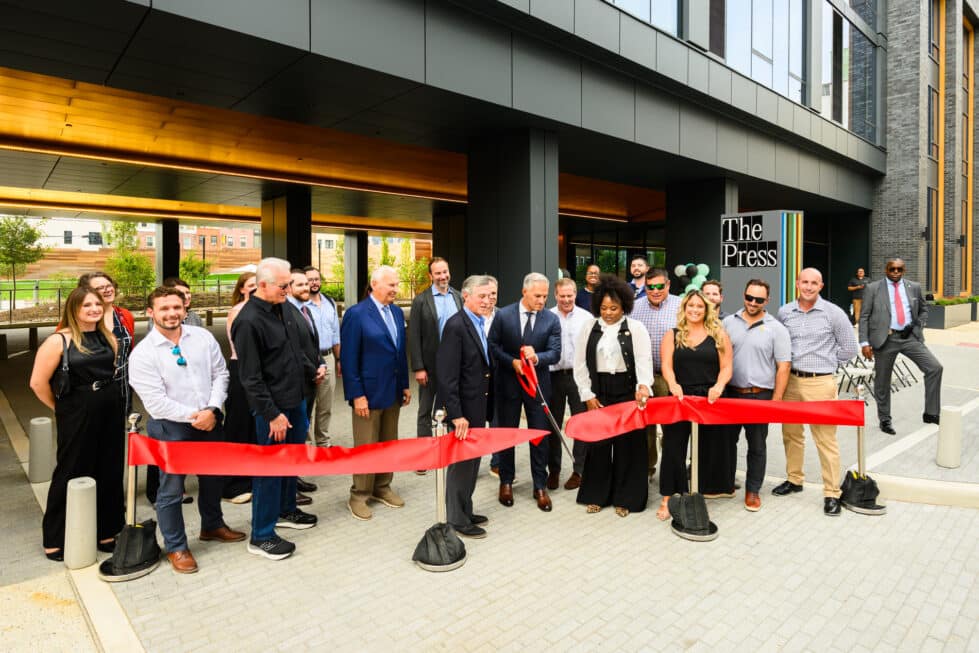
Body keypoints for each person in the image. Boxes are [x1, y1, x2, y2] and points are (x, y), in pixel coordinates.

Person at [129, 287, 245, 574]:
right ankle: (177, 547)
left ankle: (213, 526)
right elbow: (155, 402)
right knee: (170, 490)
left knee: (214, 480)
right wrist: (196, 416)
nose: (171, 313)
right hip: (171, 428)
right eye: (164, 308)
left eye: (176, 307)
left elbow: (221, 374)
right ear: (150, 312)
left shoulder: (202, 338)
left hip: (210, 420)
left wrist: (213, 409)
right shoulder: (143, 354)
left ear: (185, 309)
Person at [232, 257, 319, 560]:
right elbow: (251, 378)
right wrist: (272, 414)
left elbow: (294, 351)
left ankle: (286, 509)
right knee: (269, 472)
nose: (288, 290)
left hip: (296, 401)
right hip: (273, 412)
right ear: (263, 285)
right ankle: (262, 535)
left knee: (291, 462)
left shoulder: (284, 308)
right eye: (283, 286)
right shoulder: (248, 321)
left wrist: (312, 369)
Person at [30, 287, 123, 561]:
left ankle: (106, 530)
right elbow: (37, 383)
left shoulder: (108, 338)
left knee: (109, 467)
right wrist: (62, 410)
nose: (94, 309)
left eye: (97, 304)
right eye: (86, 305)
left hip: (109, 406)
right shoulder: (58, 341)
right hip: (77, 409)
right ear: (74, 309)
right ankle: (55, 537)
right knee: (71, 470)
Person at [775, 268, 858, 516]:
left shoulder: (833, 313)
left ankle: (832, 492)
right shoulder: (784, 312)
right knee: (791, 435)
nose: (809, 287)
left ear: (821, 286)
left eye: (814, 283)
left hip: (820, 383)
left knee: (825, 440)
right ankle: (794, 479)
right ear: (797, 283)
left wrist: (827, 362)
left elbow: (849, 348)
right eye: (805, 282)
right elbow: (779, 343)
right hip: (790, 382)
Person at [573, 275, 652, 516]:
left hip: (627, 391)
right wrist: (586, 394)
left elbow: (643, 361)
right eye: (604, 308)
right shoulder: (589, 326)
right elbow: (580, 363)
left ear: (624, 306)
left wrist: (643, 386)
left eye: (614, 308)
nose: (608, 313)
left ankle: (625, 498)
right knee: (598, 445)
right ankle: (597, 495)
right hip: (599, 390)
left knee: (628, 445)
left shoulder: (635, 328)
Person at [339, 265, 411, 521]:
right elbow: (349, 360)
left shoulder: (396, 311)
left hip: (392, 390)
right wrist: (356, 395)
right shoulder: (357, 314)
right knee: (367, 446)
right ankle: (359, 494)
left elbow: (399, 352)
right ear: (375, 285)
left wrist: (404, 383)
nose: (395, 289)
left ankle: (382, 487)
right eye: (391, 285)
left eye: (396, 284)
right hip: (367, 394)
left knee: (388, 442)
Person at [488, 272, 562, 512]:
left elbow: (555, 353)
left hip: (537, 387)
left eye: (544, 296)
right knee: (508, 434)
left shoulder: (551, 319)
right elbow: (493, 346)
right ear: (524, 292)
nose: (542, 300)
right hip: (508, 384)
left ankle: (539, 485)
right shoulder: (504, 315)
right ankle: (506, 482)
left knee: (538, 436)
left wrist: (537, 357)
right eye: (537, 295)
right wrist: (512, 362)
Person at [656, 290, 732, 520]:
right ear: (684, 309)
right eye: (691, 306)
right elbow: (666, 366)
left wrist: (719, 385)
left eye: (700, 306)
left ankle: (699, 495)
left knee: (707, 448)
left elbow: (727, 366)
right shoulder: (673, 334)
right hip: (679, 398)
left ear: (707, 309)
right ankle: (669, 497)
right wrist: (673, 383)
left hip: (709, 398)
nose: (695, 310)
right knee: (673, 447)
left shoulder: (718, 334)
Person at [435, 275, 496, 538]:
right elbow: (447, 376)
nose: (487, 301)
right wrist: (457, 415)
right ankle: (457, 519)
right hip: (463, 413)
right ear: (466, 297)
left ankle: (466, 508)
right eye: (481, 296)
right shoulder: (456, 326)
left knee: (472, 464)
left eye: (491, 296)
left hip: (477, 407)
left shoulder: (478, 323)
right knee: (461, 465)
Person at [722, 279, 791, 511]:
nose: (752, 303)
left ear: (767, 301)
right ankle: (726, 483)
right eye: (749, 297)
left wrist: (776, 401)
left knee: (757, 446)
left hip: (759, 395)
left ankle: (753, 490)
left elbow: (783, 366)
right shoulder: (728, 323)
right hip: (731, 393)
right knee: (727, 442)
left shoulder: (776, 328)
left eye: (759, 300)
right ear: (744, 295)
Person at [859, 258, 943, 434]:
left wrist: (917, 325)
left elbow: (923, 309)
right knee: (882, 382)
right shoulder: (873, 288)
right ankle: (885, 420)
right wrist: (865, 342)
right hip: (885, 339)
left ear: (904, 270)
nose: (895, 272)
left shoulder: (914, 287)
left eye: (899, 269)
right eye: (892, 269)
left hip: (910, 338)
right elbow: (864, 316)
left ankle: (931, 413)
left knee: (934, 367)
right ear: (886, 270)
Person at [629, 267, 681, 480]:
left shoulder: (681, 306)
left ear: (668, 284)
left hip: (672, 377)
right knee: (646, 427)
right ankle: (648, 469)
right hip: (645, 378)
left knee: (672, 427)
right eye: (651, 287)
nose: (655, 290)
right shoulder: (634, 307)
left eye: (660, 286)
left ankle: (671, 470)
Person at [408, 257, 462, 451]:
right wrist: (419, 367)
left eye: (445, 272)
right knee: (425, 410)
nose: (442, 276)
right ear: (430, 276)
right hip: (430, 366)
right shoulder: (421, 301)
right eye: (438, 273)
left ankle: (451, 450)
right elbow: (414, 336)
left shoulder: (458, 296)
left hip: (456, 364)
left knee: (454, 407)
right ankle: (425, 454)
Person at [548, 277, 593, 490]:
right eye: (562, 296)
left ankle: (580, 471)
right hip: (553, 376)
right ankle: (554, 471)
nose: (566, 299)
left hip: (578, 376)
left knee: (581, 424)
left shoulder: (586, 317)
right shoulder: (547, 316)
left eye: (570, 295)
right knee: (554, 425)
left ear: (575, 294)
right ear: (555, 295)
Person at [287, 269, 327, 505]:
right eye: (299, 284)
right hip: (298, 382)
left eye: (307, 283)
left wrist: (321, 363)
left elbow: (312, 345)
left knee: (302, 429)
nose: (305, 287)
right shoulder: (288, 312)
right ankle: (289, 487)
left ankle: (296, 477)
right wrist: (313, 369)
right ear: (289, 286)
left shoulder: (305, 310)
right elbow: (294, 349)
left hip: (311, 379)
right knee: (295, 433)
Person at [222, 271, 257, 504]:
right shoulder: (238, 312)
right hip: (242, 370)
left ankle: (251, 476)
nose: (255, 288)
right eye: (250, 285)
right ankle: (231, 484)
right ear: (242, 289)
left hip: (256, 373)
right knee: (238, 425)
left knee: (254, 427)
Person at [303, 265, 341, 447]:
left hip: (328, 358)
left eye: (316, 279)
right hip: (307, 361)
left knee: (325, 405)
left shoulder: (329, 302)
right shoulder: (299, 306)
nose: (313, 283)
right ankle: (306, 443)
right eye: (309, 280)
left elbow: (335, 334)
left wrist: (339, 359)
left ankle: (323, 441)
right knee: (307, 404)